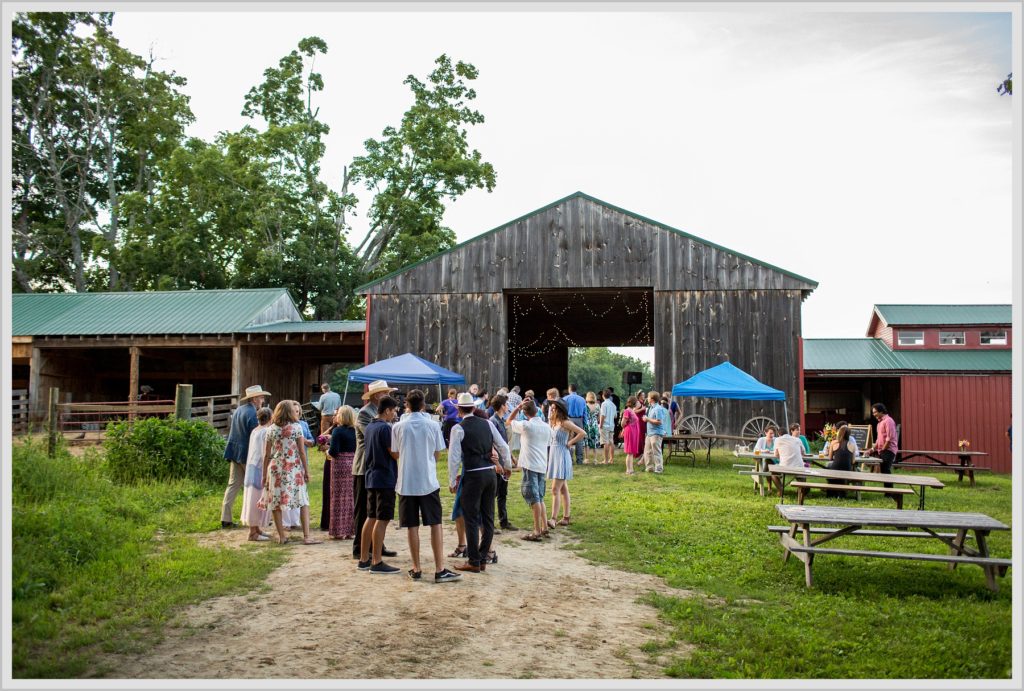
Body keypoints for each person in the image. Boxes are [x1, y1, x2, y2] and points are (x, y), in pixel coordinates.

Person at [391, 390, 462, 583]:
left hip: (406, 481)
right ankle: (439, 568)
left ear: (407, 405)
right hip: (427, 481)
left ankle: (416, 567)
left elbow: (395, 453)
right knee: (435, 524)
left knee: (411, 525)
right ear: (423, 405)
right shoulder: (432, 425)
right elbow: (438, 453)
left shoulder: (398, 426)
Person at [447, 392, 511, 573]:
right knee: (488, 517)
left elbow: (454, 458)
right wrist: (506, 466)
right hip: (490, 474)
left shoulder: (458, 429)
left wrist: (452, 480)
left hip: (473, 475)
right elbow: (503, 446)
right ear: (474, 408)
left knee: (471, 518)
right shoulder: (488, 424)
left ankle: (474, 560)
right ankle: (482, 556)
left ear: (459, 410)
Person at [260, 400, 321, 545]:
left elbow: (266, 455)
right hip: (293, 468)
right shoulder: (296, 428)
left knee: (276, 502)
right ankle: (307, 537)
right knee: (303, 501)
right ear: (290, 411)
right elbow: (301, 451)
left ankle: (282, 536)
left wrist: (263, 475)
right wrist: (307, 471)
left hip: (275, 468)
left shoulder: (270, 429)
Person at [352, 380, 399, 561]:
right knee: (365, 510)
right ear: (375, 395)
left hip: (374, 465)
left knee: (376, 513)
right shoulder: (365, 414)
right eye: (384, 393)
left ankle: (377, 545)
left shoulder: (378, 416)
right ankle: (360, 548)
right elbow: (373, 437)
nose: (387, 395)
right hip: (366, 465)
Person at [221, 384, 271, 529]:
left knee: (233, 485)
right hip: (246, 454)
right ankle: (260, 518)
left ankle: (226, 518)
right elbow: (256, 435)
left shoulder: (239, 410)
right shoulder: (252, 414)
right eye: (261, 397)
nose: (262, 400)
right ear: (254, 398)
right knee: (257, 486)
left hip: (233, 451)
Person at [508, 396, 550, 541]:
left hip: (530, 464)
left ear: (525, 413)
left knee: (534, 498)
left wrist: (517, 407)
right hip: (542, 464)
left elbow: (508, 421)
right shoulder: (546, 426)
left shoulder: (526, 425)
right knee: (540, 496)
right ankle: (544, 526)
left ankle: (536, 530)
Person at [546, 399, 585, 528]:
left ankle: (553, 518)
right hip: (554, 455)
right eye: (551, 408)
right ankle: (566, 517)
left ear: (559, 410)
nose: (551, 410)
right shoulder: (554, 422)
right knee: (563, 489)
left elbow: (582, 433)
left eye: (553, 408)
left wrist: (570, 442)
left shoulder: (565, 422)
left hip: (562, 455)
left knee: (555, 489)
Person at [240, 406, 273, 542]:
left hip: (252, 466)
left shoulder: (255, 430)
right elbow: (265, 453)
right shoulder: (266, 431)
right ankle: (253, 532)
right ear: (270, 418)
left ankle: (257, 528)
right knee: (256, 497)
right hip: (259, 467)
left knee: (254, 496)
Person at [326, 405, 357, 540]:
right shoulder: (355, 430)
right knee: (351, 497)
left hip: (340, 464)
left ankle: (338, 530)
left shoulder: (337, 431)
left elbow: (334, 451)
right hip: (353, 463)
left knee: (338, 497)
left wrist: (326, 450)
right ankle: (350, 530)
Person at [489, 394, 518, 534]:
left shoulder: (501, 421)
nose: (507, 407)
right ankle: (490, 524)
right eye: (506, 405)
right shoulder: (492, 422)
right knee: (492, 495)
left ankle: (504, 521)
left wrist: (511, 457)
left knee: (502, 494)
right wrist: (496, 463)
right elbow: (491, 444)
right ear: (501, 406)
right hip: (496, 464)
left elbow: (504, 444)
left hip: (504, 462)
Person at [866, 403, 898, 489]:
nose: (874, 414)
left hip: (888, 450)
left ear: (881, 411)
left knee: (886, 470)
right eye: (873, 413)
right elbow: (878, 441)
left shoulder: (888, 421)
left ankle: (890, 492)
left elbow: (889, 438)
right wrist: (871, 450)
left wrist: (883, 449)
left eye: (875, 412)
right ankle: (887, 491)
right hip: (883, 450)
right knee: (884, 470)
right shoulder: (879, 423)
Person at [640, 392, 670, 474]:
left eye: (648, 397)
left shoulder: (658, 409)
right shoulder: (651, 408)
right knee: (647, 451)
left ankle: (659, 469)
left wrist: (647, 419)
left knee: (656, 452)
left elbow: (659, 421)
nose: (647, 398)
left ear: (652, 399)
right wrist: (646, 419)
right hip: (650, 433)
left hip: (656, 433)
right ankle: (649, 468)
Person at [825, 424, 856, 498]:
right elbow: (853, 461)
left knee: (828, 466)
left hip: (835, 468)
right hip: (847, 470)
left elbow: (830, 458)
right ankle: (842, 493)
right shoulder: (852, 445)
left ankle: (832, 492)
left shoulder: (834, 443)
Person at [563, 384, 588, 465]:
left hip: (568, 419)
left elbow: (562, 411)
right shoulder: (582, 400)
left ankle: (569, 459)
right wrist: (584, 423)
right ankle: (579, 460)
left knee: (568, 439)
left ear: (569, 389)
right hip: (579, 419)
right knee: (579, 440)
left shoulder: (565, 399)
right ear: (576, 390)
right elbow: (585, 412)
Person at [620, 396, 643, 475]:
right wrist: (626, 428)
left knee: (632, 452)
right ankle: (628, 470)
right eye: (637, 402)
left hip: (634, 432)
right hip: (630, 432)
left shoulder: (632, 411)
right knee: (629, 452)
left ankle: (631, 469)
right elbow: (622, 423)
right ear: (634, 402)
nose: (638, 403)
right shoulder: (627, 411)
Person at [598, 389, 617, 465]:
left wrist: (601, 425)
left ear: (603, 396)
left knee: (605, 442)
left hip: (605, 425)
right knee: (611, 441)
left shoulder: (603, 404)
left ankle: (605, 460)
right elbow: (615, 416)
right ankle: (611, 459)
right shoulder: (613, 404)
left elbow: (603, 415)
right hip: (611, 425)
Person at [583, 391, 601, 464]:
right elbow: (599, 418)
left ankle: (586, 459)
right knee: (594, 442)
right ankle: (595, 459)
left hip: (587, 425)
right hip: (594, 425)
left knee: (586, 442)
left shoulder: (585, 405)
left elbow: (583, 416)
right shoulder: (597, 406)